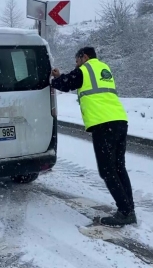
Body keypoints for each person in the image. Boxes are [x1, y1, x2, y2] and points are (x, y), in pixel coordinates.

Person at [50, 47, 136, 227]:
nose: (76, 63)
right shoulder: (103, 68)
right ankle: (129, 208)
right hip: (120, 120)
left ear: (85, 57)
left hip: (103, 124)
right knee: (119, 167)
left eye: (77, 59)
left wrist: (55, 79)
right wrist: (63, 77)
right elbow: (76, 81)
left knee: (107, 170)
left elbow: (65, 84)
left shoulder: (85, 69)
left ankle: (125, 212)